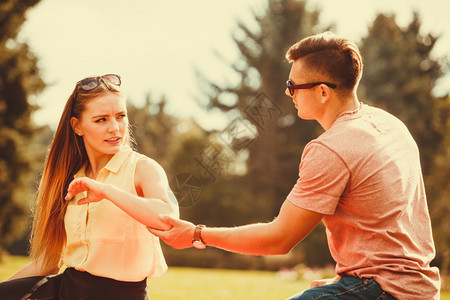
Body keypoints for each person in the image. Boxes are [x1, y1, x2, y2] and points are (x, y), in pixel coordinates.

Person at [148, 32, 441, 299]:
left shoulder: (332, 147)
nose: (289, 94)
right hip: (417, 289)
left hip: (384, 291)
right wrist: (349, 281)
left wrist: (198, 234)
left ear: (323, 92)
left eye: (293, 86)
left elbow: (280, 238)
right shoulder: (391, 126)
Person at [0, 74, 179, 299]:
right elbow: (49, 263)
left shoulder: (144, 169)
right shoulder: (70, 178)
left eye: (120, 116)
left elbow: (169, 219)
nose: (115, 128)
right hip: (66, 290)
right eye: (101, 119)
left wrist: (106, 191)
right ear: (77, 126)